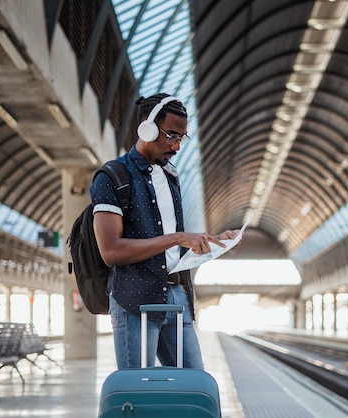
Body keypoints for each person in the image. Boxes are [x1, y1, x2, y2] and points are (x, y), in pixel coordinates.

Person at [91, 93, 240, 370]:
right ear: (146, 128)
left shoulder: (170, 176)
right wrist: (178, 237)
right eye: (172, 135)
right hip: (134, 300)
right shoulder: (113, 177)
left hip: (176, 295)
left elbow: (170, 247)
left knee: (195, 385)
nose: (177, 146)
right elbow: (111, 251)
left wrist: (214, 242)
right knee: (137, 393)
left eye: (182, 138)